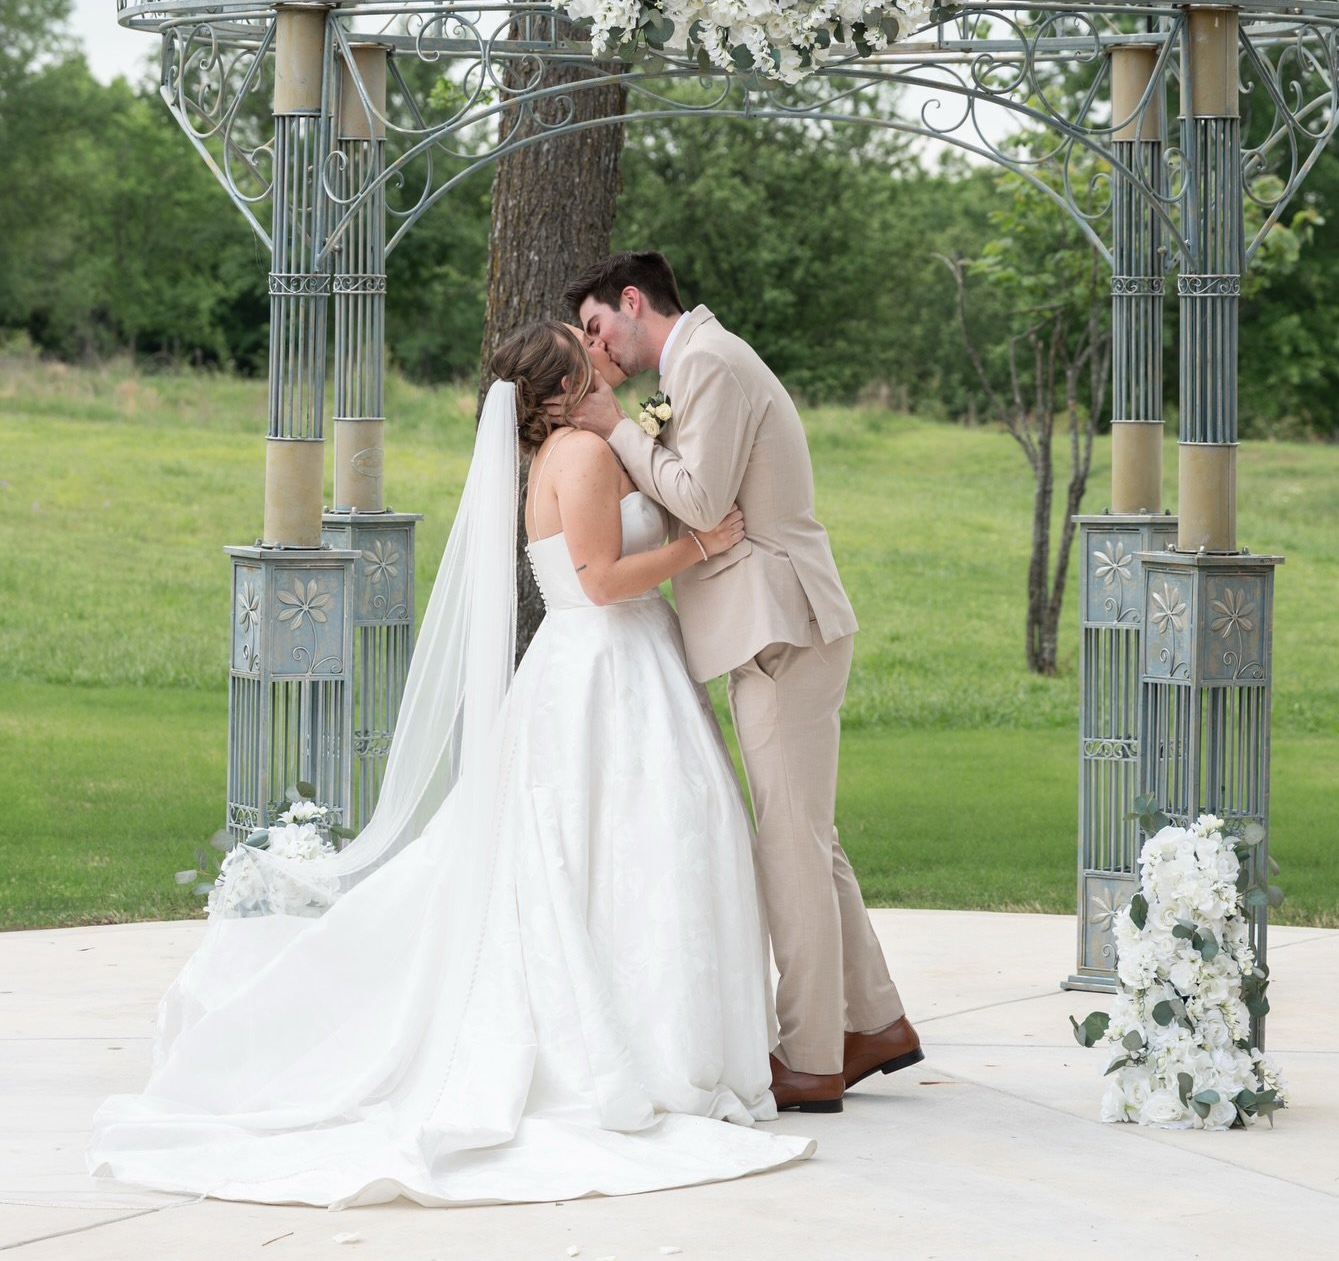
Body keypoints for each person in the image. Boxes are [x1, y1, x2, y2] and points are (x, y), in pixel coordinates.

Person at [87, 324, 814, 1207]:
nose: (595, 351)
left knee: (641, 848)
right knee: (622, 849)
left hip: (617, 663)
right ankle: (650, 1052)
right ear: (560, 389)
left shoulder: (575, 448)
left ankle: (681, 1041)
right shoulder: (580, 456)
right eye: (580, 352)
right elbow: (597, 582)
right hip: (602, 666)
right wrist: (699, 547)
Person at [563, 250, 922, 1113]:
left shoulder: (710, 361)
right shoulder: (697, 363)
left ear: (633, 299)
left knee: (788, 842)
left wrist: (615, 427)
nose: (594, 345)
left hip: (780, 625)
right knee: (807, 834)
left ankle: (810, 1057)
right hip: (771, 624)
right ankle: (873, 1023)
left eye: (597, 324)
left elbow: (698, 494)